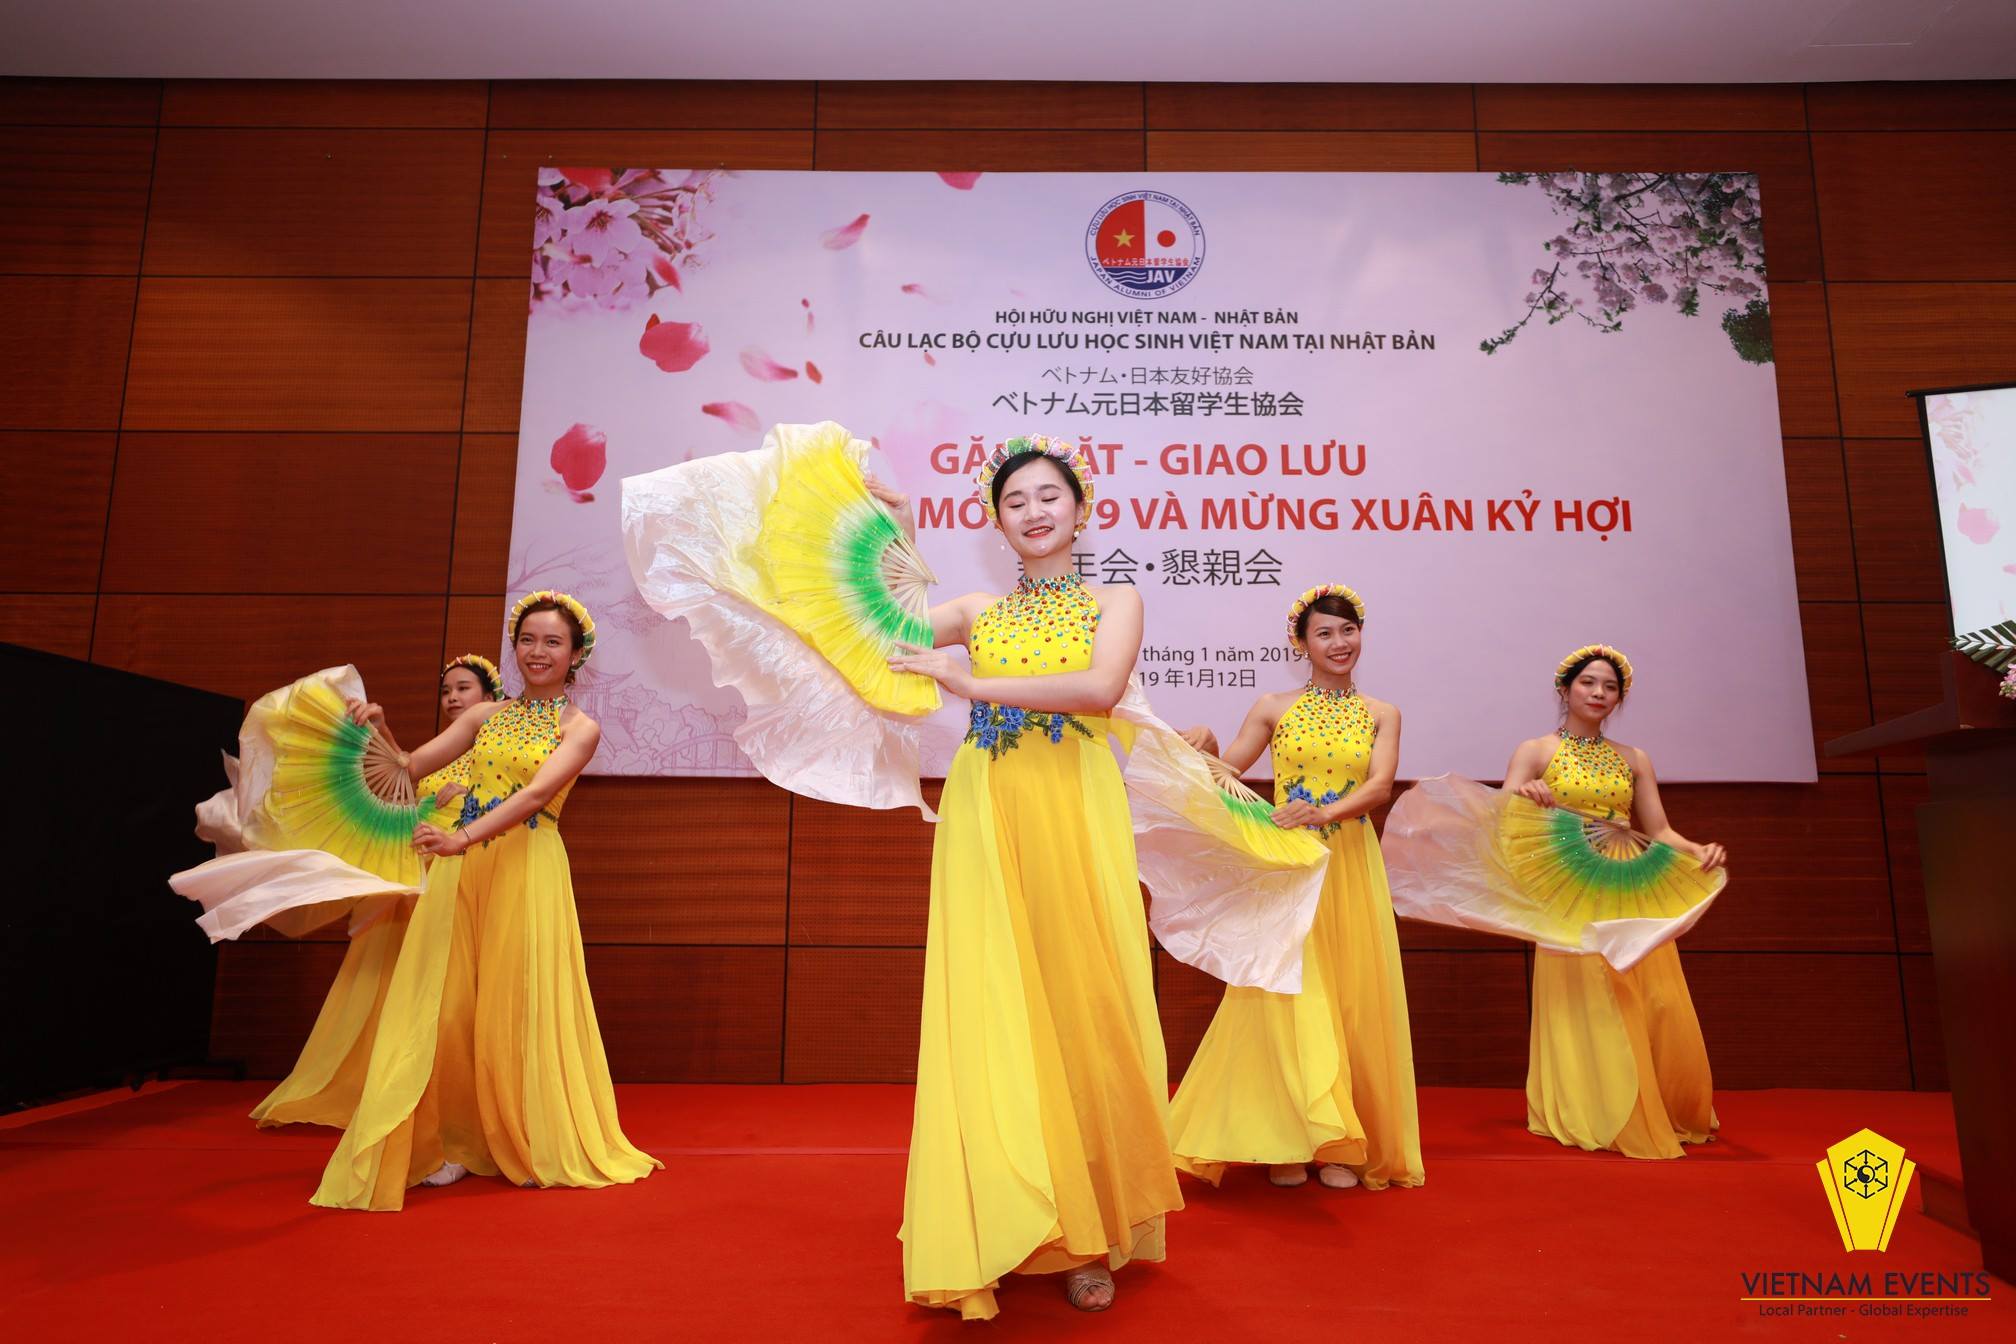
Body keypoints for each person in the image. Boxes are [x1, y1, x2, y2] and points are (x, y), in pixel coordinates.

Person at [882, 436, 1182, 1318]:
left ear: (1082, 511)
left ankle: (1088, 1234)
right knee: (993, 1003)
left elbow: (1098, 690)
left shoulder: (1115, 600)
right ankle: (1002, 1220)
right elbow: (884, 624)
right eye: (1015, 502)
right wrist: (898, 530)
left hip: (1073, 808)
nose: (1035, 511)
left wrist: (971, 686)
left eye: (1050, 496)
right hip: (989, 804)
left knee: (1080, 1002)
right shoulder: (975, 608)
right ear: (997, 522)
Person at [318, 592, 659, 1208]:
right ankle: (455, 1141)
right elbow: (407, 767)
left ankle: (528, 1141)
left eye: (552, 642)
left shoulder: (579, 729)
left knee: (517, 1003)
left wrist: (463, 837)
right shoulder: (483, 716)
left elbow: (533, 798)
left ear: (575, 655)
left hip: (526, 867)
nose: (537, 652)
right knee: (448, 1007)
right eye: (528, 640)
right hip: (463, 869)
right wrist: (374, 728)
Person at [1169, 585, 1424, 1191]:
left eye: (1348, 631)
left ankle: (1339, 1146)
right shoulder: (1272, 706)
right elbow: (1225, 775)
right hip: (1288, 865)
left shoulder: (1382, 713)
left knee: (1349, 996)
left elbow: (1380, 785)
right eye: (1324, 634)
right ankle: (1284, 1137)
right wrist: (1204, 745)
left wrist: (1323, 813)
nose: (1339, 643)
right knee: (1284, 995)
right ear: (1301, 644)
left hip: (1350, 864)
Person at [1504, 644, 1725, 1159]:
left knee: (1652, 997)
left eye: (1609, 687)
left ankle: (1652, 1103)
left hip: (1627, 883)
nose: (1599, 693)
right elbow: (1501, 807)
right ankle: (1597, 1108)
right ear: (1565, 690)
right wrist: (1526, 795)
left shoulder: (1634, 758)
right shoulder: (1536, 751)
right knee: (1589, 1000)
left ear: (1618, 699)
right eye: (1588, 683)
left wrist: (1697, 851)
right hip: (1569, 888)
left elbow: (1660, 830)